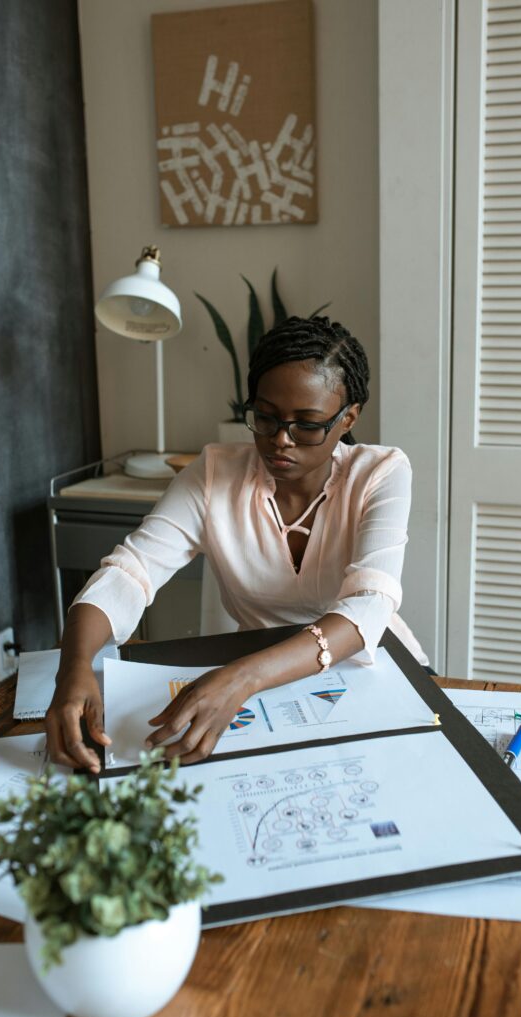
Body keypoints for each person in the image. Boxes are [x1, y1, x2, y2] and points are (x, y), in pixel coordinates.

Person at [45, 316, 428, 772]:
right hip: (261, 694)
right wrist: (74, 664)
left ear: (348, 418)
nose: (280, 441)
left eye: (307, 425)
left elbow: (369, 604)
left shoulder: (381, 474)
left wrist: (244, 677)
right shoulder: (213, 475)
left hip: (371, 674)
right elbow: (131, 571)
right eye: (265, 418)